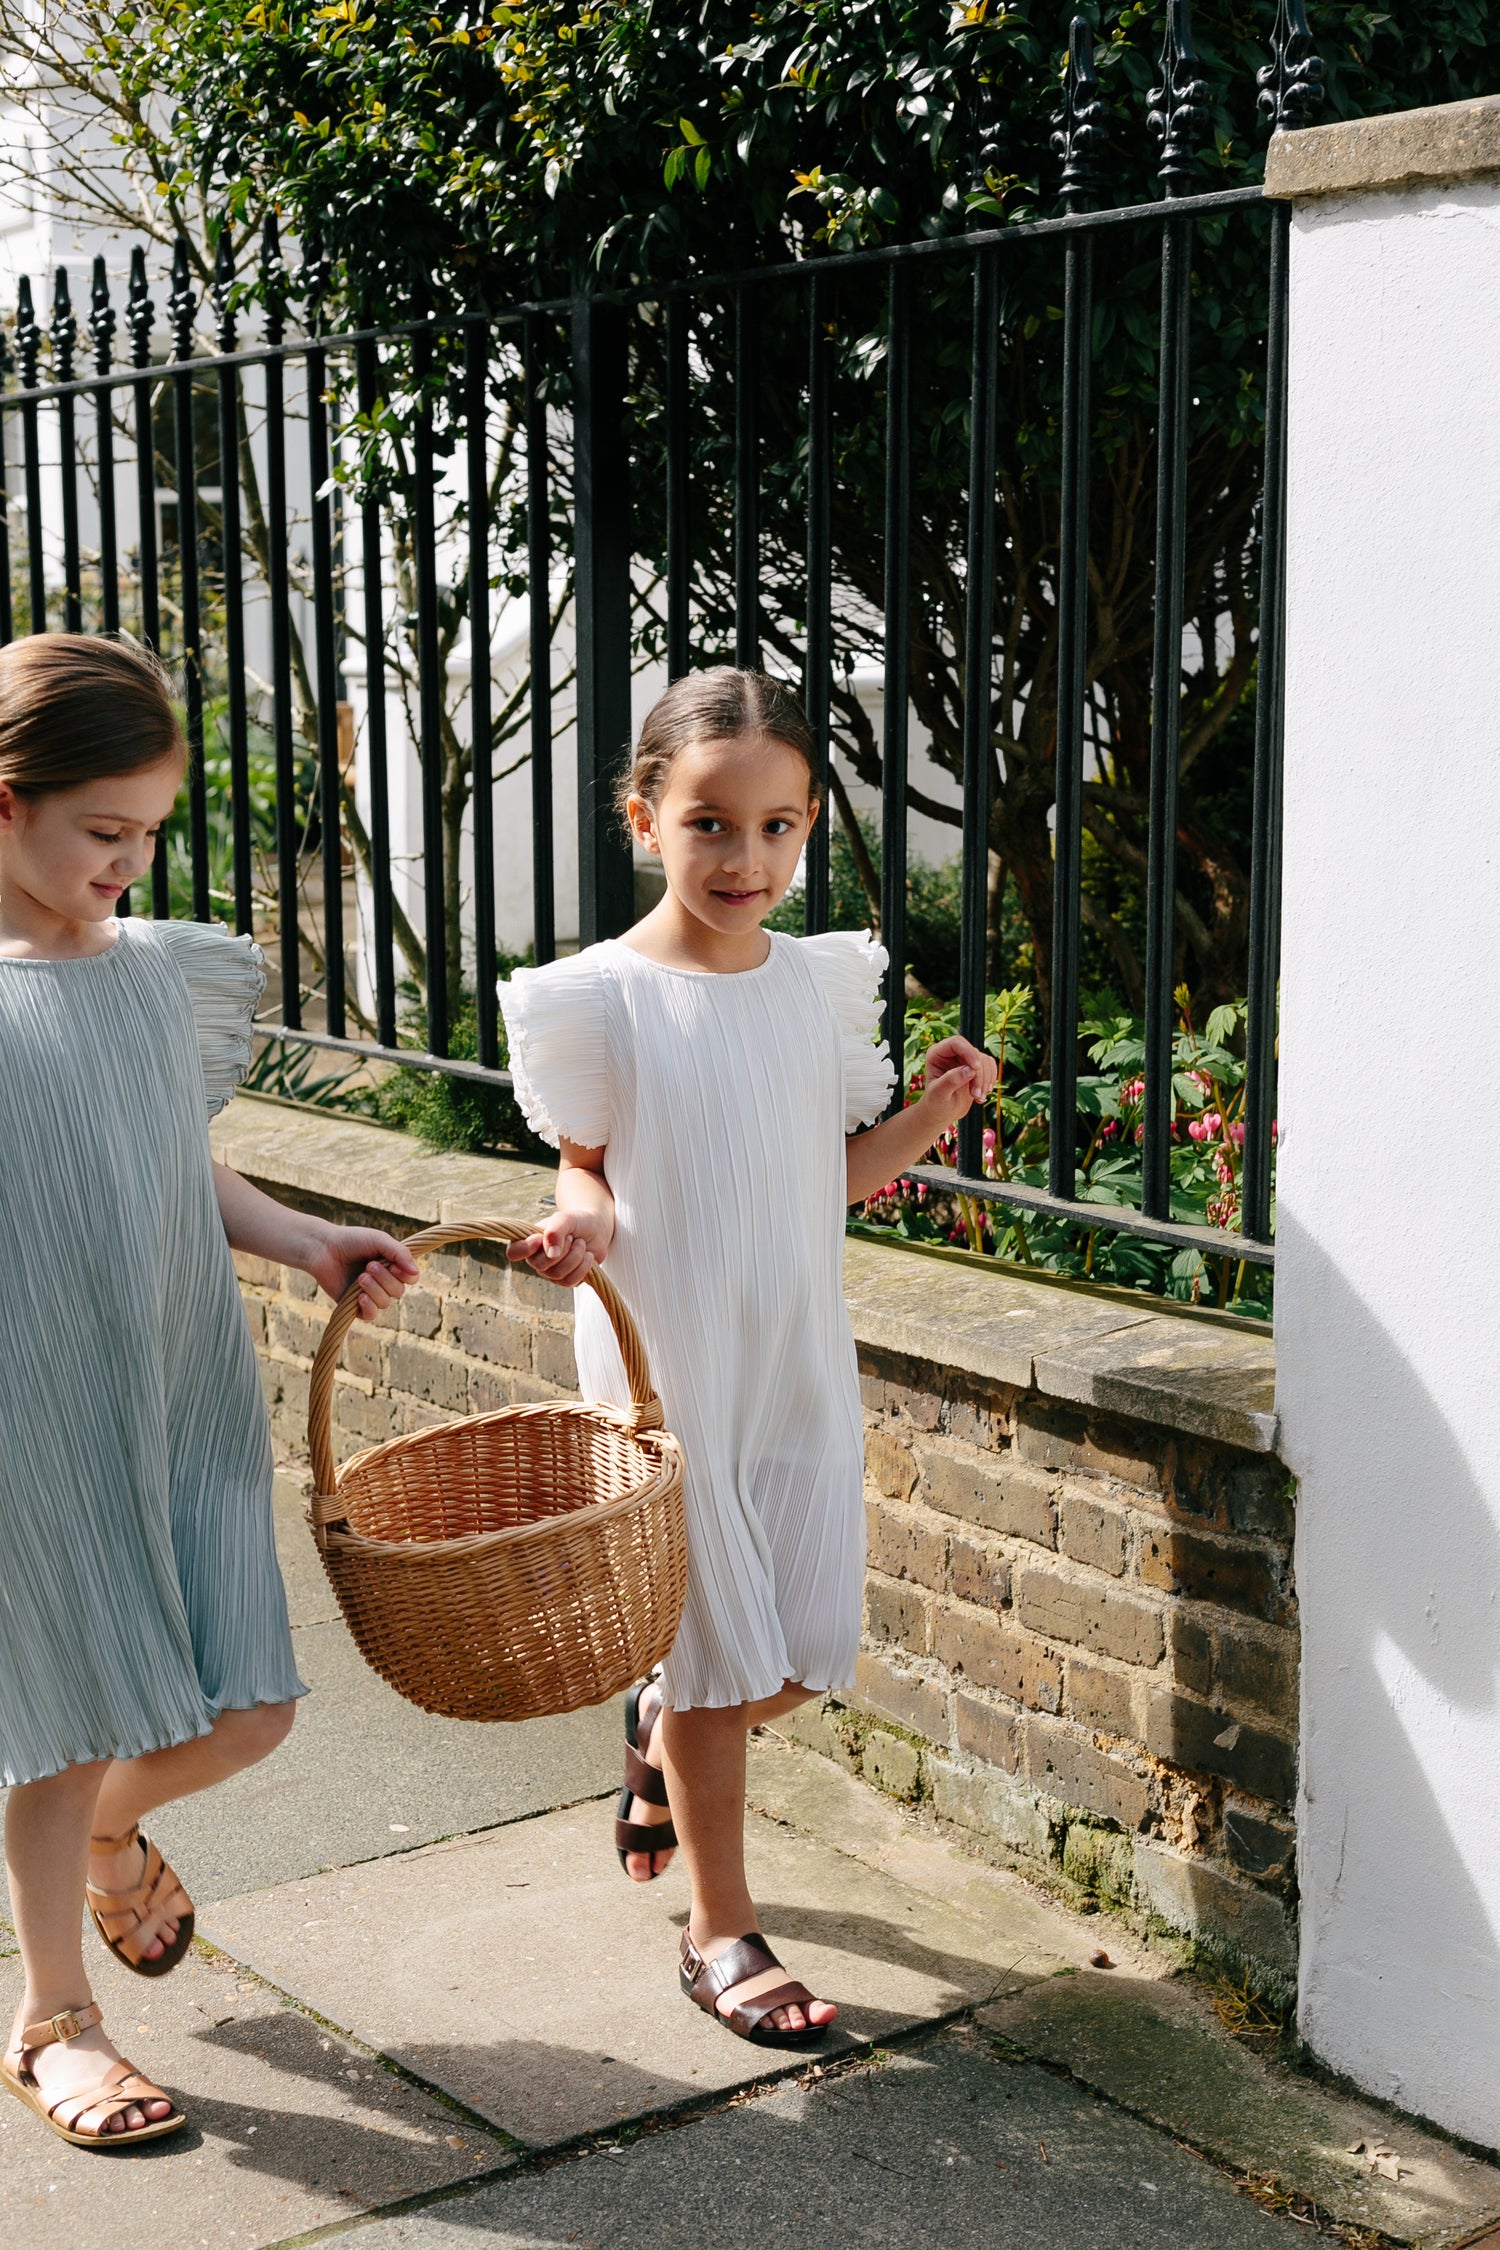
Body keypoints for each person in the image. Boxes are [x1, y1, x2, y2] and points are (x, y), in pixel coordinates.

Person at [500, 667, 996, 2047]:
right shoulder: (599, 998)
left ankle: (655, 1720)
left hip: (792, 1355)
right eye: (712, 823)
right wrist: (575, 1227)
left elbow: (826, 1175)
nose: (748, 857)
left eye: (779, 826)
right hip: (665, 1360)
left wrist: (938, 1105)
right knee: (722, 1650)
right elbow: (586, 1172)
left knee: (799, 1643)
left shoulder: (814, 986)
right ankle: (721, 1929)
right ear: (644, 817)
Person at [0, 634, 418, 2148]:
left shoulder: (151, 973)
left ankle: (118, 1829)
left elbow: (180, 1156)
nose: (131, 860)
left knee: (253, 1708)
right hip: (32, 1417)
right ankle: (55, 2018)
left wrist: (312, 1239)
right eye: (102, 830)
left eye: (151, 831)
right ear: (3, 806)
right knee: (53, 1727)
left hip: (181, 1386)